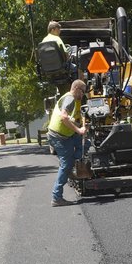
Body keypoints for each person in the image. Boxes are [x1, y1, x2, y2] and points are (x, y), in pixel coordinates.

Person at [47, 79, 86, 207]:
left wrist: (79, 125)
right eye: (83, 92)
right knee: (66, 164)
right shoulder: (70, 99)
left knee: (85, 143)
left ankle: (72, 167)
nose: (83, 95)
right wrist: (79, 130)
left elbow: (68, 118)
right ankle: (56, 197)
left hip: (64, 135)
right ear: (77, 89)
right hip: (59, 137)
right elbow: (64, 117)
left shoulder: (69, 98)